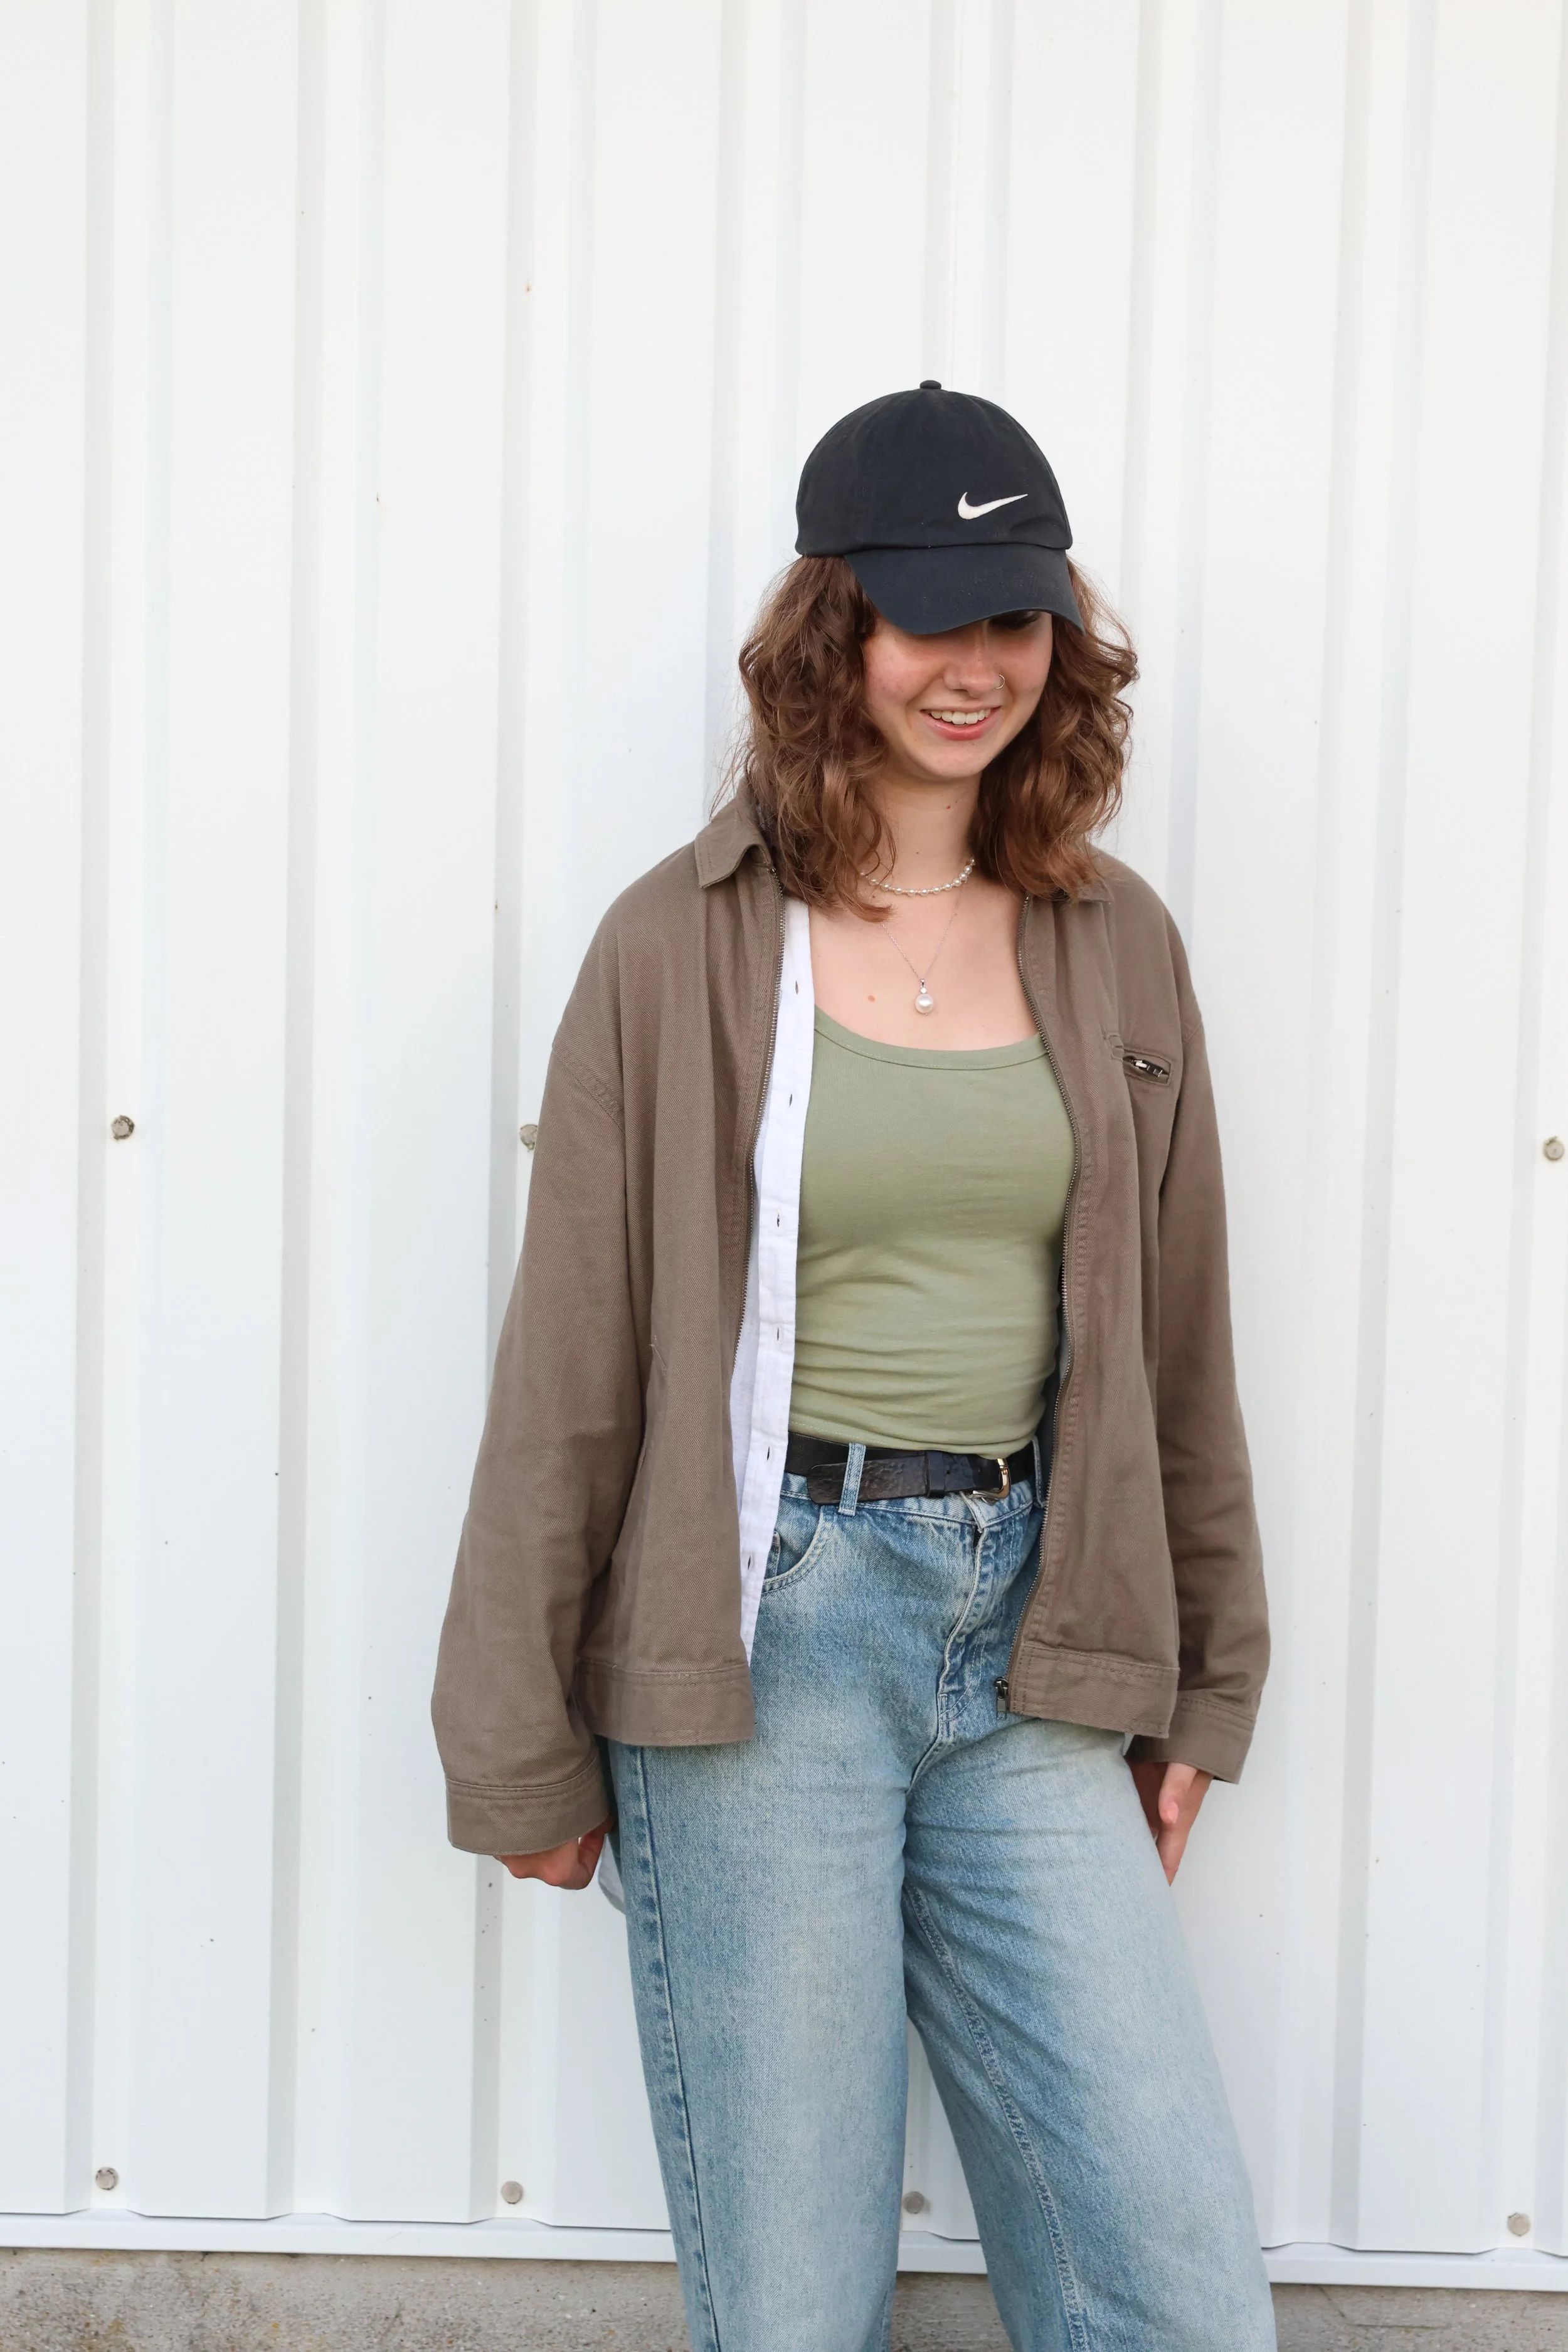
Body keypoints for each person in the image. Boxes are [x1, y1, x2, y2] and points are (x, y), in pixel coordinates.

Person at [432, 383, 1275, 2351]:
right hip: (764, 1642)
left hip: (1036, 1623)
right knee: (797, 2298)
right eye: (925, 619)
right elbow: (569, 1362)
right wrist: (517, 1736)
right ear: (836, 634)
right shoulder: (684, 945)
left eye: (1010, 617)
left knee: (1168, 2273)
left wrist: (1202, 1676)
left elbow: (1177, 1343)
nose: (970, 666)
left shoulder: (1111, 941)